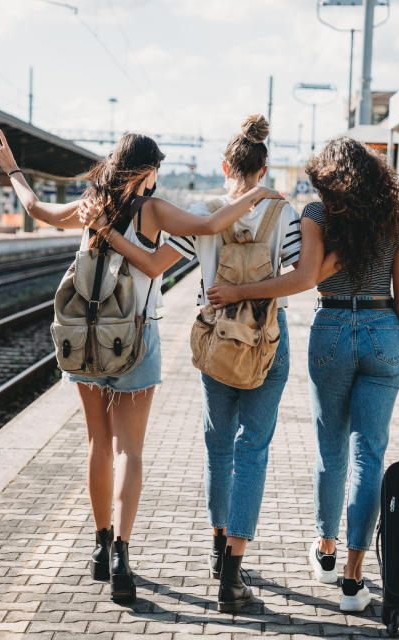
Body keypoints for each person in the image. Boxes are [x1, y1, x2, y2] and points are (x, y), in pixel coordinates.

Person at [0, 128, 282, 604]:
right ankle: (122, 554)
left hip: (84, 341)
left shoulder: (89, 205)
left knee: (98, 444)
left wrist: (13, 169)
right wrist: (257, 195)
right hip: (135, 340)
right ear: (146, 172)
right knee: (129, 451)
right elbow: (208, 226)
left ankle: (100, 549)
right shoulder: (152, 209)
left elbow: (36, 209)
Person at [80, 115, 310, 613]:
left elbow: (159, 261)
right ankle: (232, 572)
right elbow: (297, 276)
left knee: (218, 447)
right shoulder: (285, 213)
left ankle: (213, 546)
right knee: (254, 450)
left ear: (225, 165)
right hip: (267, 339)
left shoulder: (203, 212)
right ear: (265, 167)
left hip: (214, 336)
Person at [207, 136, 399, 613]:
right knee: (369, 456)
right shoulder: (397, 221)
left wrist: (240, 292)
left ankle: (327, 551)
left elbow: (306, 276)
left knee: (330, 451)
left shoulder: (318, 214)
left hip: (332, 327)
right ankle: (354, 580)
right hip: (383, 333)